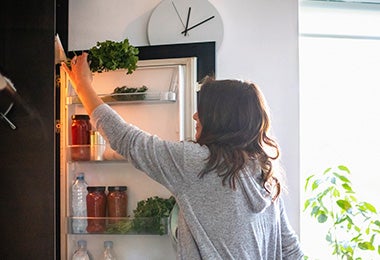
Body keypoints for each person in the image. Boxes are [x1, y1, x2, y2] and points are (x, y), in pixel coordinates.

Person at [62, 53, 303, 260]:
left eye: (204, 111)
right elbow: (290, 250)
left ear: (220, 120)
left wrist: (83, 85)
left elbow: (129, 140)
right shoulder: (264, 173)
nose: (195, 116)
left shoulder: (200, 163)